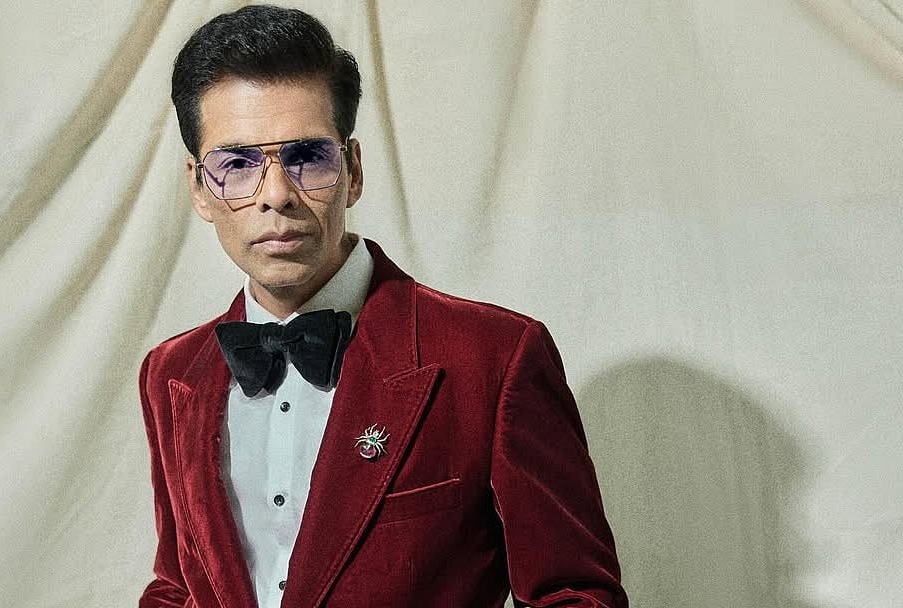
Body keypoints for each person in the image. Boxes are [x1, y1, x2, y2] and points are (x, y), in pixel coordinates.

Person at [137, 5, 626, 607]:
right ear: (198, 187)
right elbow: (178, 585)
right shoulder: (171, 373)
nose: (276, 195)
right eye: (237, 165)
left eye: (306, 157)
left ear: (353, 170)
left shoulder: (494, 359)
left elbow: (577, 594)